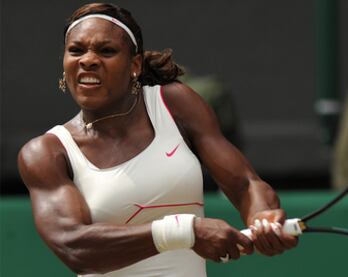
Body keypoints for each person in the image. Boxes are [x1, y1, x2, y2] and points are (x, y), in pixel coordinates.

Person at [17, 3, 298, 276]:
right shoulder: (46, 152)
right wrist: (185, 231)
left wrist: (263, 216)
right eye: (76, 50)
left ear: (134, 65)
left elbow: (245, 184)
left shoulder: (175, 104)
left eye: (107, 50)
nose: (88, 60)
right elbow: (73, 246)